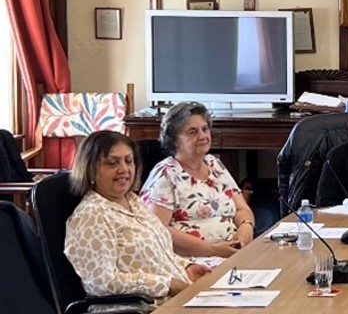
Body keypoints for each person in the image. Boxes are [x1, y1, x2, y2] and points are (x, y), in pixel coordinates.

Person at [65, 130, 210, 305]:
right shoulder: (92, 216)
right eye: (112, 163)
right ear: (90, 169)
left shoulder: (133, 202)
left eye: (129, 161)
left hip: (174, 301)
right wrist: (166, 284)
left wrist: (186, 267)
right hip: (135, 309)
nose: (124, 169)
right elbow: (101, 283)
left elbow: (154, 254)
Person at [140, 102, 256, 258]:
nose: (202, 136)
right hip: (194, 261)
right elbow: (157, 229)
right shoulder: (166, 173)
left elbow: (243, 209)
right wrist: (212, 250)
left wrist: (245, 229)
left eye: (205, 129)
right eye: (192, 132)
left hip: (233, 254)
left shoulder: (214, 164)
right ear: (174, 140)